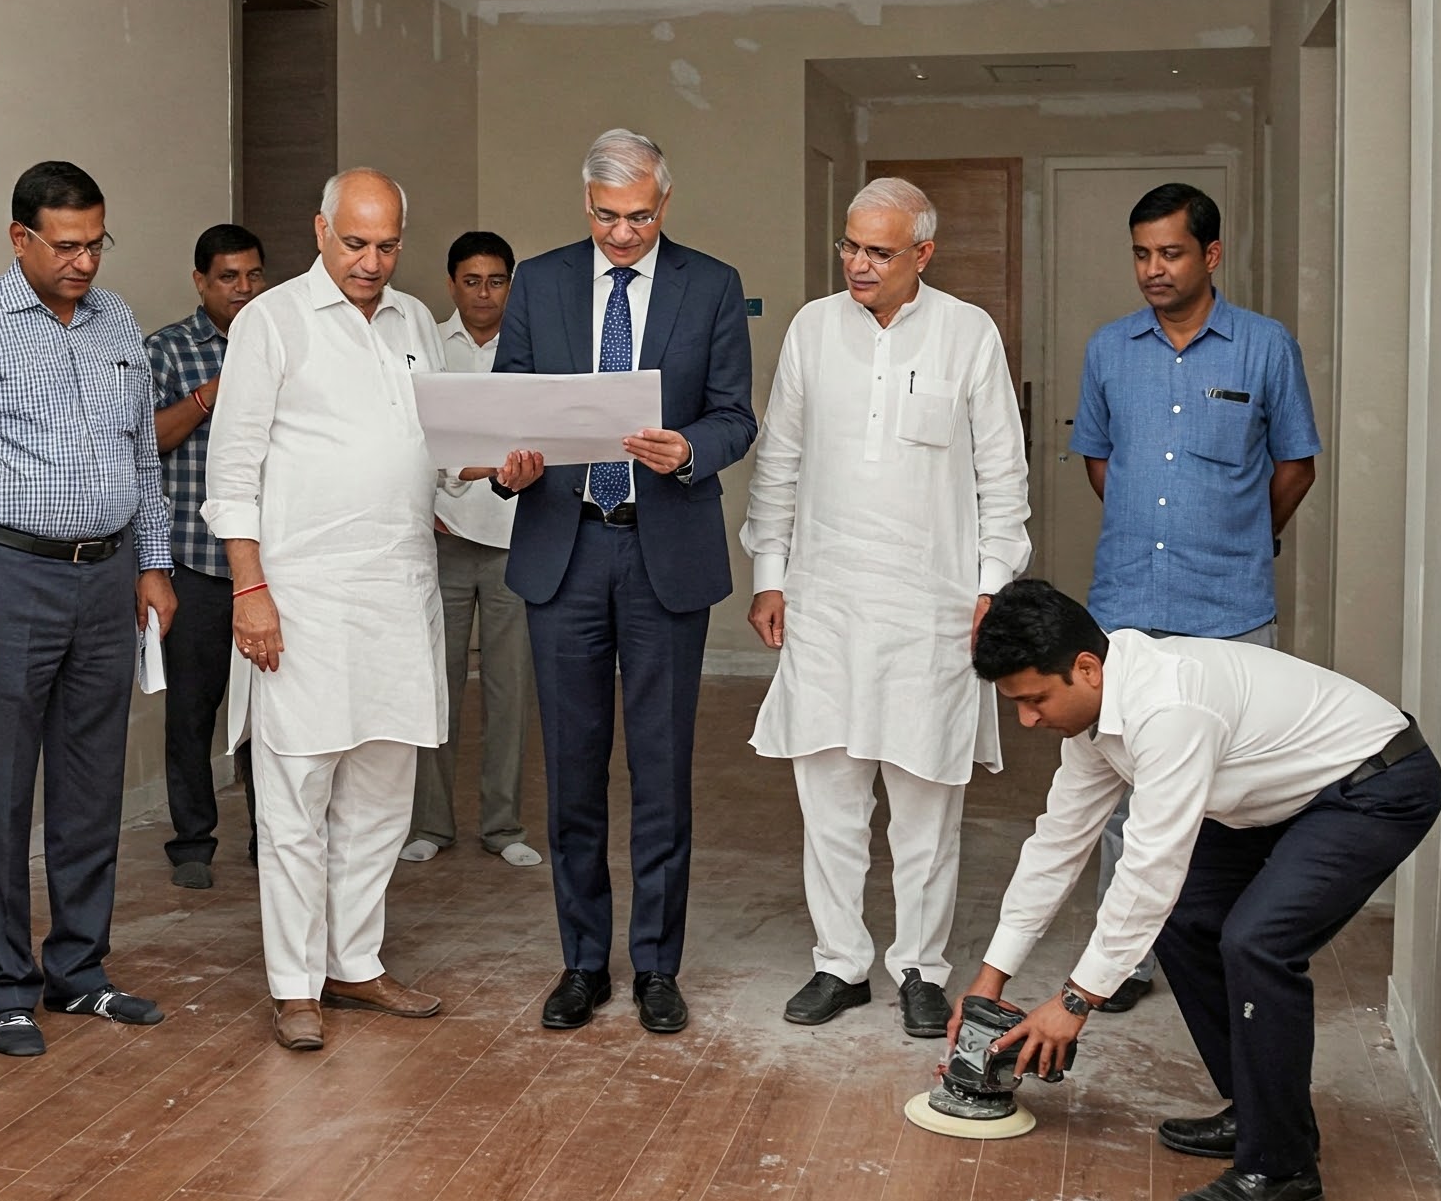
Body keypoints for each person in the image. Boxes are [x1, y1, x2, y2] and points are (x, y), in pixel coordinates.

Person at [961, 579, 1441, 1201]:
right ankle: (1256, 1109)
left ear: (1085, 667)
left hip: (1373, 782)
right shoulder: (1096, 722)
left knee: (1258, 942)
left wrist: (1076, 1001)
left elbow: (1150, 864)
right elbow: (1058, 845)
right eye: (1015, 704)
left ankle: (1282, 1168)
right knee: (1187, 918)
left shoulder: (1170, 708)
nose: (1027, 719)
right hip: (1279, 796)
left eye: (1034, 699)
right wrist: (991, 980)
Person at [742, 177, 1030, 1040]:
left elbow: (1002, 481)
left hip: (934, 611)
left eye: (878, 251)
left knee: (924, 807)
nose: (858, 264)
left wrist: (991, 590)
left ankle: (920, 968)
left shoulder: (967, 335)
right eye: (849, 246)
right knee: (828, 799)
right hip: (827, 601)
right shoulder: (811, 329)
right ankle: (840, 962)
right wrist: (769, 570)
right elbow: (779, 459)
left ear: (923, 255)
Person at [0, 160, 176, 1058]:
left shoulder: (119, 322)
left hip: (107, 578)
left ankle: (80, 973)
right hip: (6, 578)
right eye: (66, 246)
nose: (85, 263)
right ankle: (9, 986)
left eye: (96, 243)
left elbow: (144, 460)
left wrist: (154, 564)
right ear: (20, 238)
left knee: (92, 784)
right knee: (3, 789)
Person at [492, 130, 758, 1036]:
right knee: (570, 773)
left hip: (662, 550)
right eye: (608, 217)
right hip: (564, 548)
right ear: (586, 205)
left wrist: (691, 449)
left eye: (640, 216)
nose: (623, 234)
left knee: (661, 774)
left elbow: (735, 416)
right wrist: (510, 467)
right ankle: (580, 963)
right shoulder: (539, 280)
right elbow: (509, 410)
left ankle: (655, 966)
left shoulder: (711, 285)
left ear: (665, 204)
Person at [203, 169, 447, 1052]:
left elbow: (443, 452)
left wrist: (499, 465)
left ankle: (356, 962)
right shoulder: (270, 324)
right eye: (355, 243)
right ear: (320, 230)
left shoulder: (417, 321)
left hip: (398, 592)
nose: (372, 262)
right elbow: (230, 472)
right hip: (298, 600)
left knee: (383, 795)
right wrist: (250, 590)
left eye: (387, 245)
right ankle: (294, 984)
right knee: (298, 795)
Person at [1074, 181, 1320, 1015]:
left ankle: (1229, 945)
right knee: (1124, 790)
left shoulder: (1264, 347)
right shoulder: (1110, 349)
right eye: (1142, 253)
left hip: (1230, 606)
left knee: (1239, 792)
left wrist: (1246, 534)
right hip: (1129, 605)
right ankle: (1127, 961)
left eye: (1171, 253)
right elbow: (1099, 460)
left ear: (1211, 255)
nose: (1153, 269)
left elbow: (1296, 464)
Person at [401, 231, 543, 871]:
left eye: (496, 281)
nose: (484, 293)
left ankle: (502, 824)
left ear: (511, 284)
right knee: (439, 686)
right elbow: (412, 439)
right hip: (445, 539)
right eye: (471, 281)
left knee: (511, 691)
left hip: (519, 542)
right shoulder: (426, 343)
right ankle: (430, 823)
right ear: (452, 283)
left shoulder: (535, 345)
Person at [146, 223, 268, 890]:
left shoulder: (282, 339)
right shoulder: (166, 350)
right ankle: (193, 841)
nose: (244, 290)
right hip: (193, 561)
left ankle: (269, 836)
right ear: (201, 281)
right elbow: (142, 446)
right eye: (229, 277)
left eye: (253, 276)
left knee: (269, 714)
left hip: (270, 564)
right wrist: (206, 396)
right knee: (192, 711)